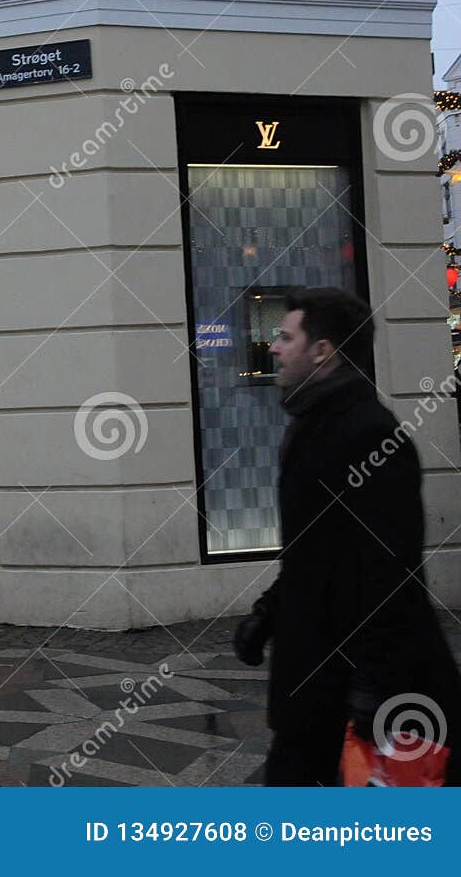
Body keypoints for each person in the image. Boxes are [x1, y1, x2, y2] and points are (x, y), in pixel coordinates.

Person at [232, 288, 461, 785]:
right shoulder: (311, 424)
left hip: (351, 689)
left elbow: (390, 570)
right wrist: (267, 614)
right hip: (314, 684)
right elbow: (313, 552)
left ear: (322, 351)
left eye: (285, 336)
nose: (273, 346)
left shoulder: (370, 435)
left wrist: (373, 688)